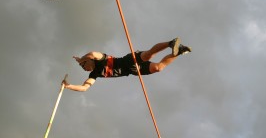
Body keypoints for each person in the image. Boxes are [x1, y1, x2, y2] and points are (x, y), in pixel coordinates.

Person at [62, 38, 191, 92]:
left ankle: (171, 43)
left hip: (127, 61)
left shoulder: (99, 59)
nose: (84, 69)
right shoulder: (94, 74)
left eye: (83, 66)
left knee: (148, 55)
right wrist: (68, 86)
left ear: (87, 61)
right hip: (133, 71)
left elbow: (92, 54)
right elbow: (84, 88)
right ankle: (178, 52)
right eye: (83, 69)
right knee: (159, 68)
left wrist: (80, 59)